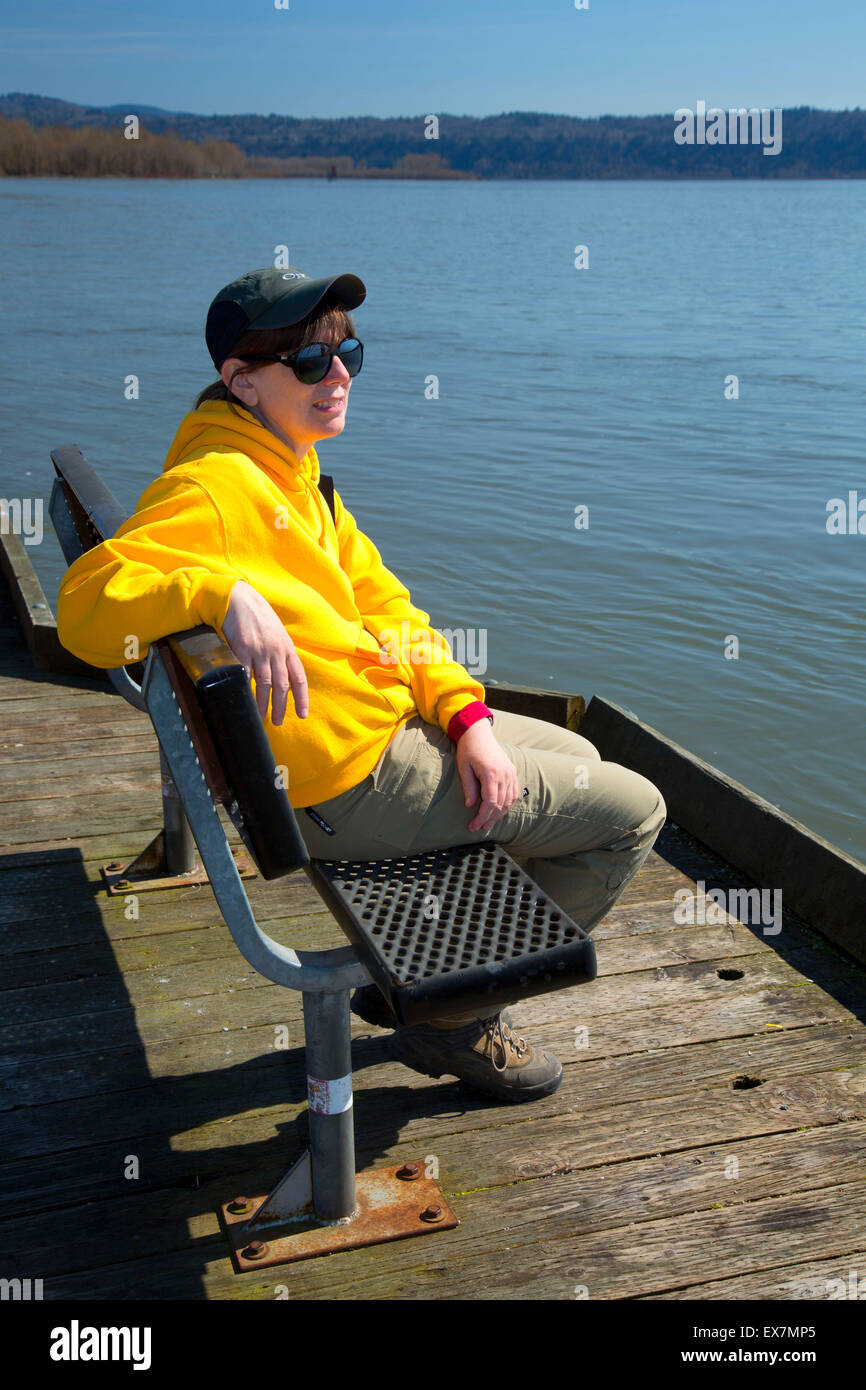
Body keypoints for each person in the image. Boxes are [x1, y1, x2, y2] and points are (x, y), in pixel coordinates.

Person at [56, 265, 667, 1104]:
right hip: (352, 783)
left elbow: (389, 608)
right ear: (242, 381)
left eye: (348, 355)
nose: (337, 377)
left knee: (576, 755)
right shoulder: (216, 486)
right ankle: (451, 1017)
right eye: (309, 362)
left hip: (366, 748)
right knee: (633, 814)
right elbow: (86, 611)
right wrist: (215, 592)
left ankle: (445, 961)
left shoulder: (289, 471)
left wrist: (467, 718)